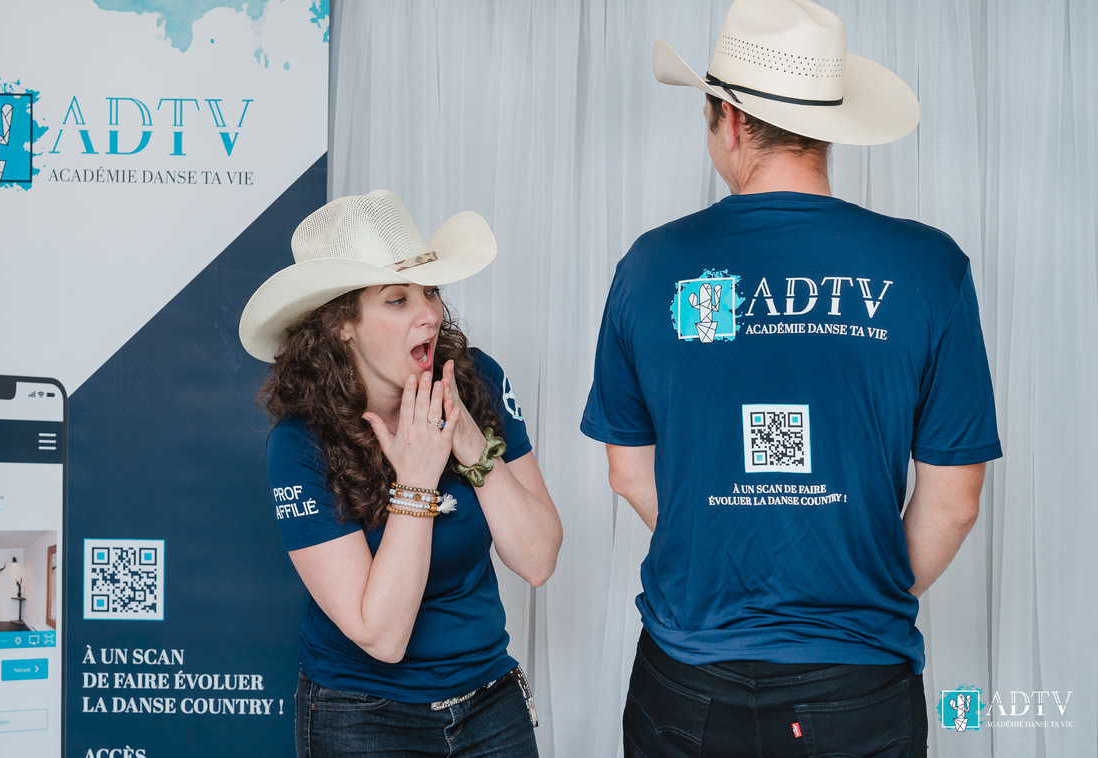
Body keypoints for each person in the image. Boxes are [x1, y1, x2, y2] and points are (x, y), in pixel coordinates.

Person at [580, 1, 1001, 755]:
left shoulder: (650, 267)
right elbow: (956, 502)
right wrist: (848, 591)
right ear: (828, 127)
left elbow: (628, 472)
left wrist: (726, 552)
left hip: (687, 678)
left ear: (732, 123)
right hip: (857, 683)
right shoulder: (929, 266)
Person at [239, 190, 562, 757]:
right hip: (362, 716)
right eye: (397, 299)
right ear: (341, 325)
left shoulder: (475, 380)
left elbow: (538, 561)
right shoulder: (299, 443)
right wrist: (415, 483)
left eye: (429, 291)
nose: (429, 314)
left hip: (490, 702)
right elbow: (383, 637)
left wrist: (473, 449)